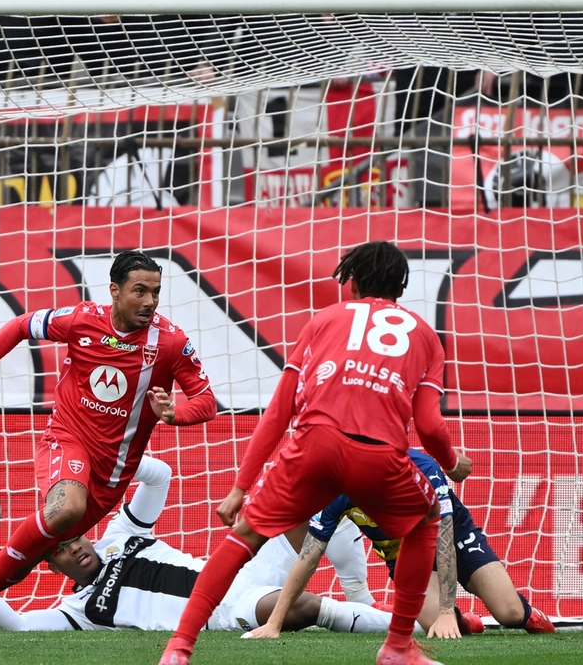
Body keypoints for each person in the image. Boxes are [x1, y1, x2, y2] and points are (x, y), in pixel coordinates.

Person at [159, 241, 471, 665]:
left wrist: (240, 487)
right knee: (428, 518)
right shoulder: (425, 336)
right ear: (401, 286)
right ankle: (398, 647)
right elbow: (430, 426)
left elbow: (279, 411)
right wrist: (452, 464)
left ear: (353, 282)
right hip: (380, 457)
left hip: (314, 446)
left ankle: (179, 648)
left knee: (247, 532)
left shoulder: (323, 320)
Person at [0, 250, 219, 628]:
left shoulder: (169, 343)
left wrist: (173, 414)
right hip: (66, 439)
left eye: (156, 292)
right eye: (140, 291)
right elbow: (20, 326)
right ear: (114, 291)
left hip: (113, 473)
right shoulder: (82, 320)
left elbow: (206, 402)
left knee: (42, 550)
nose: (150, 301)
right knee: (66, 507)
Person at [0, 456, 398, 638]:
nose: (77, 550)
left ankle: (361, 595)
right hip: (222, 610)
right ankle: (399, 625)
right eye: (62, 551)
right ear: (51, 566)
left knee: (300, 492)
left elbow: (161, 476)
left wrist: (104, 466)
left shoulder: (119, 535)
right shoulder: (79, 611)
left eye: (76, 538)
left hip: (236, 568)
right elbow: (21, 627)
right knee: (304, 607)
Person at [247, 448, 556, 641]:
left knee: (508, 613)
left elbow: (445, 540)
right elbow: (309, 557)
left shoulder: (423, 470)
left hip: (450, 536)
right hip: (406, 553)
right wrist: (274, 623)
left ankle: (526, 614)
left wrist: (447, 609)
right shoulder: (339, 492)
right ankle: (464, 622)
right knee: (434, 628)